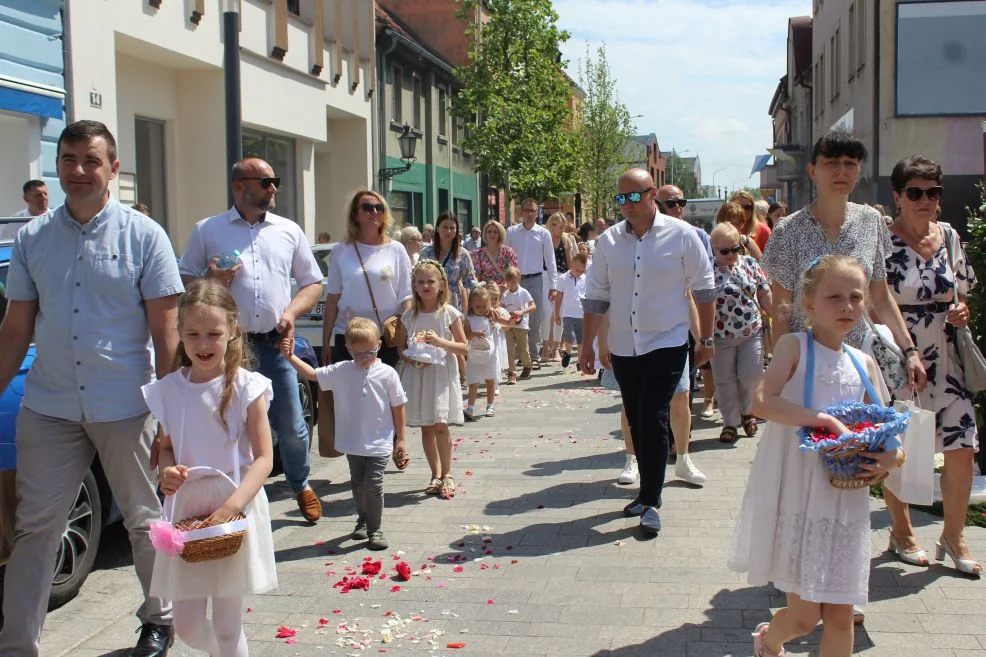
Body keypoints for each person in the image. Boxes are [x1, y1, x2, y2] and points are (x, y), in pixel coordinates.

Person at [0, 120, 182, 657]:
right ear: (56, 167)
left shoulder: (145, 236)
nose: (78, 171)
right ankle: (17, 645)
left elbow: (165, 332)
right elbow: (14, 333)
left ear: (113, 169)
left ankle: (159, 618)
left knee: (145, 519)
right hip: (50, 404)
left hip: (124, 404)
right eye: (68, 159)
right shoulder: (33, 239)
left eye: (90, 161)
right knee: (36, 528)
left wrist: (172, 418)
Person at [728, 255, 904, 657]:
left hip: (845, 503)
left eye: (856, 297)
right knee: (805, 617)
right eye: (834, 297)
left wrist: (893, 459)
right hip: (800, 495)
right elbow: (761, 402)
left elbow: (886, 427)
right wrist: (819, 418)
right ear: (808, 304)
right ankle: (769, 642)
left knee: (841, 618)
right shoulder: (795, 347)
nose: (846, 306)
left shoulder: (864, 363)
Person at [178, 156, 324, 525]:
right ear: (239, 186)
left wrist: (291, 314)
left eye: (275, 181)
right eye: (266, 181)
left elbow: (313, 283)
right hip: (227, 348)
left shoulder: (288, 230)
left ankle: (300, 482)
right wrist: (210, 282)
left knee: (290, 423)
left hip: (274, 345)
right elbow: (182, 283)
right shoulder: (207, 230)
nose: (274, 187)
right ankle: (231, 492)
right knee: (225, 424)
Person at [141, 279, 277, 657]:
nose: (203, 344)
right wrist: (166, 473)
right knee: (186, 626)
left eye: (214, 334)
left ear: (233, 330)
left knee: (227, 624)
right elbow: (165, 449)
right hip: (187, 511)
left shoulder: (247, 387)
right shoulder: (169, 390)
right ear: (180, 334)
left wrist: (232, 506)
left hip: (233, 508)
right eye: (193, 334)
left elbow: (264, 457)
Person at [580, 168, 716, 537]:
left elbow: (704, 291)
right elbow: (597, 296)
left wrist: (706, 340)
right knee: (636, 415)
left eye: (633, 196)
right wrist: (588, 345)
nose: (625, 205)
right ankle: (646, 492)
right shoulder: (608, 242)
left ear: (652, 193)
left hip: (667, 342)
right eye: (619, 198)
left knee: (655, 414)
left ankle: (651, 500)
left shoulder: (684, 236)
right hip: (625, 344)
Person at [760, 130, 925, 387]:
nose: (841, 170)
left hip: (859, 362)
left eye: (850, 163)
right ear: (813, 171)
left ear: (858, 172)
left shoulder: (871, 221)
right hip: (806, 364)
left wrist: (910, 350)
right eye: (832, 163)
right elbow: (781, 309)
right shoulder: (788, 230)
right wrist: (786, 368)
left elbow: (880, 296)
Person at [881, 155, 980, 574]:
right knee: (902, 446)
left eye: (933, 192)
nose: (925, 200)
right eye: (915, 192)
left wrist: (961, 311)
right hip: (900, 354)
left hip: (947, 354)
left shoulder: (951, 237)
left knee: (963, 446)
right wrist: (904, 349)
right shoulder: (882, 241)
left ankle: (953, 536)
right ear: (898, 196)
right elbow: (871, 298)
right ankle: (901, 530)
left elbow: (962, 292)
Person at [283, 317, 407, 551]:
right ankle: (362, 518)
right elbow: (312, 374)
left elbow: (398, 406)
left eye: (369, 353)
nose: (363, 359)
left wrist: (401, 439)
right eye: (358, 354)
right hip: (352, 441)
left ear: (378, 345)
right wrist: (290, 357)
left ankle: (375, 527)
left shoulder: (388, 373)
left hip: (379, 441)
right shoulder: (341, 370)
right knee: (358, 484)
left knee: (373, 484)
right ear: (348, 347)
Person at [397, 260, 468, 500]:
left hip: (441, 374)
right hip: (419, 374)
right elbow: (401, 347)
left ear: (441, 285)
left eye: (430, 281)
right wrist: (412, 359)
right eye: (420, 281)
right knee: (427, 427)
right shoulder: (409, 315)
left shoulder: (448, 313)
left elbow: (463, 347)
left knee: (440, 424)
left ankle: (448, 473)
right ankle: (435, 474)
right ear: (414, 286)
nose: (426, 285)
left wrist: (440, 342)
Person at [656, 184, 711, 485]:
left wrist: (705, 336)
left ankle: (681, 447)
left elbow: (704, 289)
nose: (677, 207)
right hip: (655, 327)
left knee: (684, 389)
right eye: (670, 203)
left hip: (686, 324)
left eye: (681, 202)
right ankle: (660, 442)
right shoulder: (646, 237)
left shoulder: (696, 236)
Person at [323, 190, 412, 368]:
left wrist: (408, 331)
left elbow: (406, 296)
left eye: (379, 208)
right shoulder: (341, 251)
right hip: (350, 336)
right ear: (356, 215)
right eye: (368, 208)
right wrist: (326, 342)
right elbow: (332, 299)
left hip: (387, 335)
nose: (374, 212)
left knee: (385, 393)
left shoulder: (396, 249)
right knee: (351, 394)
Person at [708, 223, 773, 444]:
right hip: (719, 336)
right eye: (724, 251)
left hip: (751, 331)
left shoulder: (750, 263)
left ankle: (748, 411)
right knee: (725, 380)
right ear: (713, 249)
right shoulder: (706, 270)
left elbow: (764, 291)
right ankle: (730, 422)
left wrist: (778, 317)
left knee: (751, 375)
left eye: (734, 249)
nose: (730, 254)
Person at [506, 199, 558, 370]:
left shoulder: (544, 234)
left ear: (537, 213)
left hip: (536, 279)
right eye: (527, 210)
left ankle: (533, 356)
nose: (529, 214)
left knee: (534, 319)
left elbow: (550, 261)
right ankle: (520, 355)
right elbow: (505, 257)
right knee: (513, 317)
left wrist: (553, 285)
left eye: (533, 211)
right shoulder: (512, 232)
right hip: (515, 281)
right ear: (521, 212)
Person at [421, 212, 476, 314]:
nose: (449, 231)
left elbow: (469, 283)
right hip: (431, 302)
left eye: (452, 228)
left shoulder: (463, 254)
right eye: (445, 227)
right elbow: (418, 278)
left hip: (455, 303)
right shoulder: (426, 253)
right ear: (437, 229)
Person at [463, 286, 498, 420]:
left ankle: (490, 405)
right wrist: (473, 333)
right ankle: (470, 407)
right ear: (471, 305)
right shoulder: (468, 319)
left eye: (485, 306)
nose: (482, 309)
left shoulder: (490, 316)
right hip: (474, 353)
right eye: (478, 306)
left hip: (489, 352)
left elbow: (504, 322)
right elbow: (465, 335)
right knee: (474, 382)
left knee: (490, 380)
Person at [501, 266, 536, 383]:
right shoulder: (505, 294)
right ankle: (512, 373)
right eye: (509, 282)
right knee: (509, 349)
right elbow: (501, 307)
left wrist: (521, 312)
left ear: (519, 279)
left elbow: (533, 306)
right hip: (509, 325)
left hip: (521, 326)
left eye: (513, 282)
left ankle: (527, 364)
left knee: (523, 350)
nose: (511, 285)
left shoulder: (523, 293)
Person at [553, 252, 588, 369]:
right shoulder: (563, 278)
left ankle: (580, 361)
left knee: (581, 339)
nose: (579, 273)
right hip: (568, 313)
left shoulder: (585, 279)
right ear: (572, 264)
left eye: (582, 271)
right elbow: (559, 297)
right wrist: (557, 313)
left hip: (582, 313)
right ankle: (568, 352)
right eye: (577, 270)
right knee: (569, 336)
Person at [472, 219, 518, 289]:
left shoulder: (508, 252)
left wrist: (505, 286)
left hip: (506, 292)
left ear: (500, 234)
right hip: (487, 294)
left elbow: (513, 274)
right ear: (485, 234)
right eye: (489, 232)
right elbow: (477, 278)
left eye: (495, 232)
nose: (492, 234)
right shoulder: (478, 254)